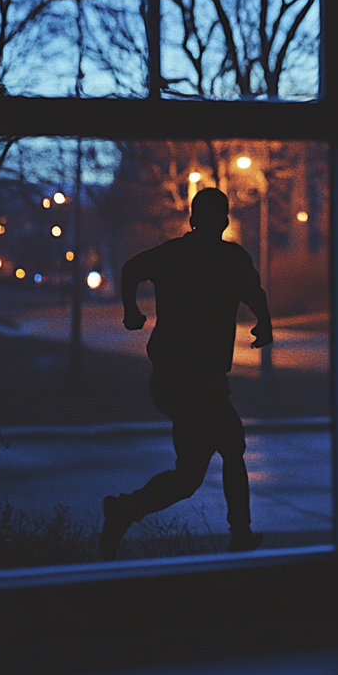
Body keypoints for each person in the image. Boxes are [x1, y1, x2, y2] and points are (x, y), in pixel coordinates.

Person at [99, 187, 273, 560]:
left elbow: (132, 270)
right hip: (189, 379)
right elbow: (254, 294)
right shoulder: (224, 258)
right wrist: (265, 323)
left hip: (182, 379)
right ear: (223, 221)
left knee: (191, 475)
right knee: (230, 446)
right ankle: (239, 533)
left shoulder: (182, 255)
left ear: (193, 220)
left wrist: (132, 311)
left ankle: (124, 510)